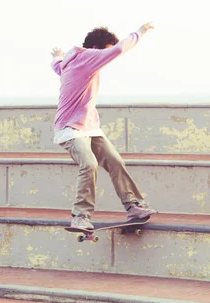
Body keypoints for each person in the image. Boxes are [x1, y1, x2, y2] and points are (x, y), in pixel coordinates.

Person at [50, 23, 157, 230]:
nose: (107, 58)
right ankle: (80, 216)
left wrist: (56, 55)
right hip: (69, 129)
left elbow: (57, 66)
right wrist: (141, 31)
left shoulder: (70, 61)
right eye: (105, 51)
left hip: (89, 126)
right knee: (89, 164)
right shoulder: (88, 56)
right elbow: (118, 49)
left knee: (115, 161)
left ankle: (133, 206)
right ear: (96, 49)